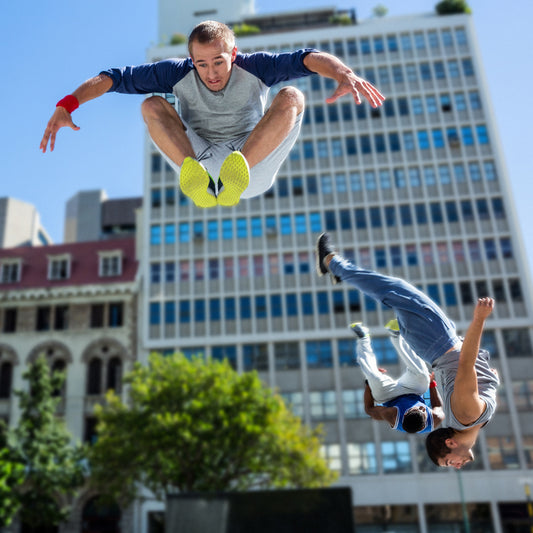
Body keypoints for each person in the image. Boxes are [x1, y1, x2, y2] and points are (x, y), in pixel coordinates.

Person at [40, 20, 385, 208]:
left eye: (219, 61)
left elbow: (306, 58)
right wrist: (66, 105)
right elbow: (115, 78)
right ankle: (199, 178)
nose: (211, 73)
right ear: (192, 60)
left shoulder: (257, 66)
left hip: (252, 160)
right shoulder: (177, 72)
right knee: (150, 105)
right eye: (202, 64)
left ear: (233, 53)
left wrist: (343, 73)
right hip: (200, 156)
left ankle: (238, 171)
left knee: (293, 95)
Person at [315, 232, 500, 468]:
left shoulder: (466, 417)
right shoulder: (472, 421)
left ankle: (332, 264)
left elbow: (465, 365)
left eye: (448, 462)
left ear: (451, 445)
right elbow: (471, 376)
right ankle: (342, 273)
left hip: (437, 340)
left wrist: (479, 319)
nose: (455, 466)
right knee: (392, 294)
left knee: (393, 291)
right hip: (437, 344)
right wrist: (491, 379)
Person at [350, 321, 444, 434]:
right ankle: (396, 335)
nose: (423, 407)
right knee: (423, 376)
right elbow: (437, 405)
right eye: (424, 409)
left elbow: (369, 409)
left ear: (404, 414)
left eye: (417, 409)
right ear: (426, 420)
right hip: (414, 392)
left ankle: (363, 338)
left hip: (388, 396)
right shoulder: (435, 418)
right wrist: (431, 383)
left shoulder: (391, 416)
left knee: (373, 376)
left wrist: (368, 383)